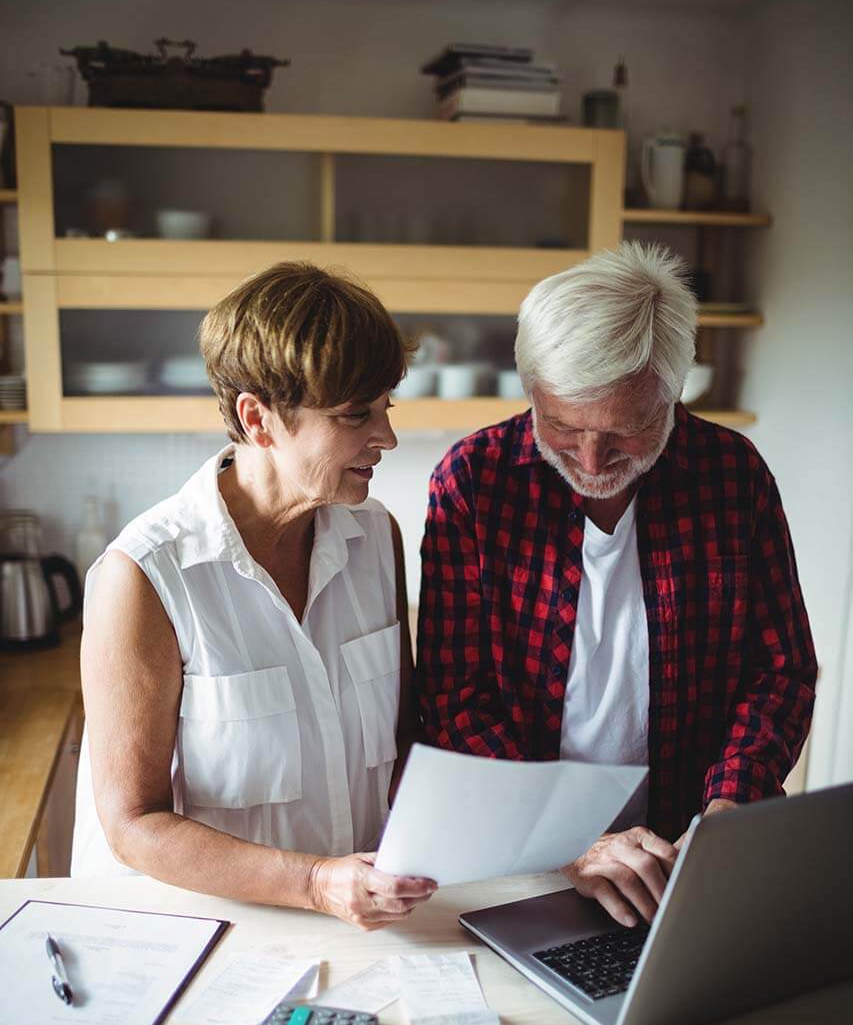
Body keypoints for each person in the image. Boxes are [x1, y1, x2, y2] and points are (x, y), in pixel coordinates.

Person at [417, 242, 816, 929]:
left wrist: (727, 811)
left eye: (626, 430)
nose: (593, 460)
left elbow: (779, 673)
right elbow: (452, 698)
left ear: (673, 391)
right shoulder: (474, 481)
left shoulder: (731, 475)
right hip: (523, 858)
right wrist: (567, 840)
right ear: (531, 388)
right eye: (564, 427)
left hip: (687, 850)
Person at [72, 261, 436, 930]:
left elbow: (403, 736)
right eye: (356, 414)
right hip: (195, 935)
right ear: (258, 419)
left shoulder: (374, 535)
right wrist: (315, 883)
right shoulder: (145, 575)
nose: (385, 436)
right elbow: (132, 824)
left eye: (385, 407)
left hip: (361, 927)